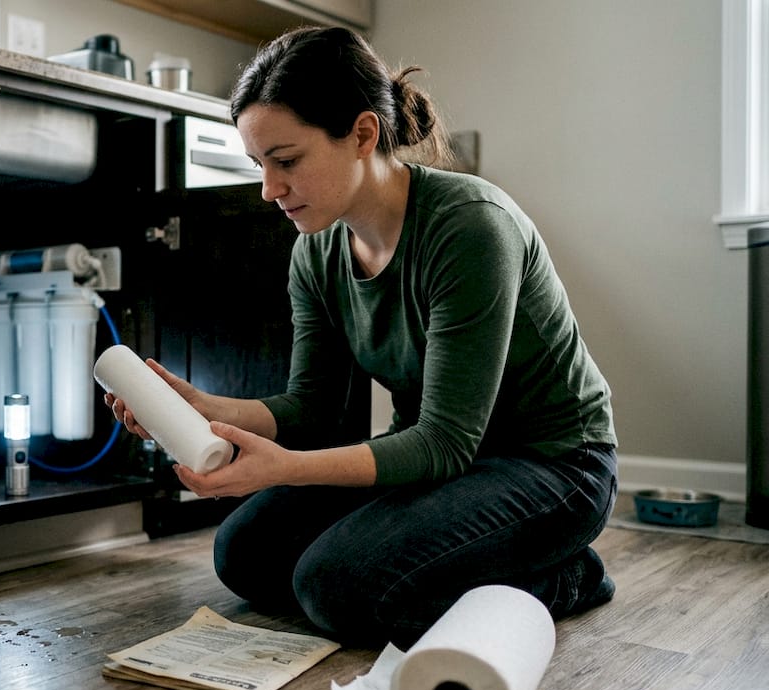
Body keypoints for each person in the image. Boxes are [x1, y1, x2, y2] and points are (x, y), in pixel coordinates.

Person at [104, 25, 617, 648]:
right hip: (441, 463)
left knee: (339, 589)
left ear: (364, 134)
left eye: (286, 160)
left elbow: (446, 443)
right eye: (259, 165)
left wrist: (286, 472)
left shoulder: (471, 227)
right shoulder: (316, 253)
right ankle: (466, 559)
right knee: (246, 556)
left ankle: (566, 577)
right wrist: (207, 412)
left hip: (554, 468)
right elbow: (312, 409)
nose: (269, 189)